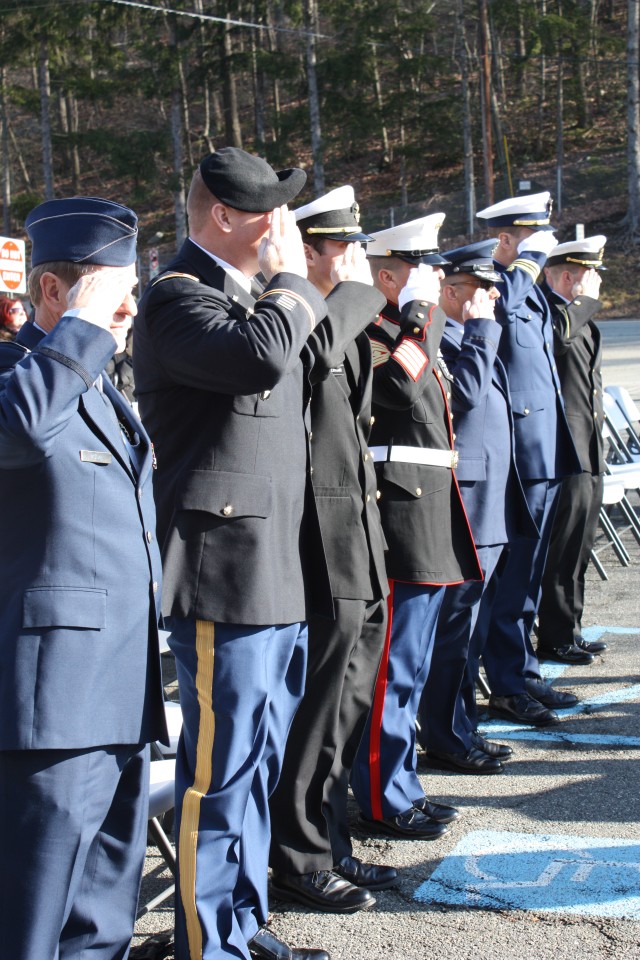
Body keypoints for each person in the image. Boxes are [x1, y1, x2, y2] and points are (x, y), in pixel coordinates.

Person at [133, 148, 331, 960]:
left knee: (255, 766)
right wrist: (292, 281)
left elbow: (309, 365)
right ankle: (203, 944)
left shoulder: (251, 299)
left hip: (274, 566)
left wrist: (295, 288)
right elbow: (260, 358)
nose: (283, 224)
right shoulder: (179, 299)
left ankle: (243, 930)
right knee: (215, 778)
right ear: (222, 216)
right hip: (224, 572)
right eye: (270, 211)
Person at [0, 196, 168, 960]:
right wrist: (81, 328)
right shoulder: (23, 375)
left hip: (119, 695)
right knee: (32, 922)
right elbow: (22, 435)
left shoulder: (94, 379)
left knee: (101, 922)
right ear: (51, 293)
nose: (129, 305)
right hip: (53, 707)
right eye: (111, 288)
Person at [269, 186, 394, 914]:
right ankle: (299, 857)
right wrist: (351, 291)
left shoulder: (337, 315)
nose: (357, 261)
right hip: (316, 546)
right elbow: (308, 361)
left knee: (346, 706)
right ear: (304, 250)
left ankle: (331, 840)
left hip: (358, 536)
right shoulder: (290, 314)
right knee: (315, 710)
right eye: (342, 248)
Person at [350, 214, 482, 839]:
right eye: (417, 270)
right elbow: (395, 396)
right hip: (398, 513)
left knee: (414, 665)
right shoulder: (372, 330)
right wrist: (422, 317)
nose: (429, 280)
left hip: (426, 508)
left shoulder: (404, 329)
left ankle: (400, 782)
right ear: (385, 276)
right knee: (391, 670)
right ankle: (381, 796)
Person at [417, 240, 537, 774]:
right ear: (449, 291)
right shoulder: (441, 337)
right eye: (480, 290)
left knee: (473, 628)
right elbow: (460, 399)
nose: (491, 299)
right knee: (453, 633)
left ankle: (461, 725)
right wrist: (484, 331)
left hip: (489, 504)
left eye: (494, 290)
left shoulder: (474, 336)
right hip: (463, 504)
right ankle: (445, 735)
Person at [473, 192, 583, 726]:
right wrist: (527, 263)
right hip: (516, 458)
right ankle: (508, 683)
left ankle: (524, 672)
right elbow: (495, 313)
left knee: (529, 577)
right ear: (506, 239)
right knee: (510, 576)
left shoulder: (531, 290)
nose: (542, 244)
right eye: (531, 235)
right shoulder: (494, 283)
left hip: (544, 451)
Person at [536, 235, 608, 664]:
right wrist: (584, 305)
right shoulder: (549, 310)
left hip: (589, 448)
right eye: (589, 275)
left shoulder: (576, 315)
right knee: (560, 550)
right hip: (565, 450)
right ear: (567, 276)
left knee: (579, 547)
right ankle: (555, 637)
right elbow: (557, 341)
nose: (595, 285)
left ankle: (570, 629)